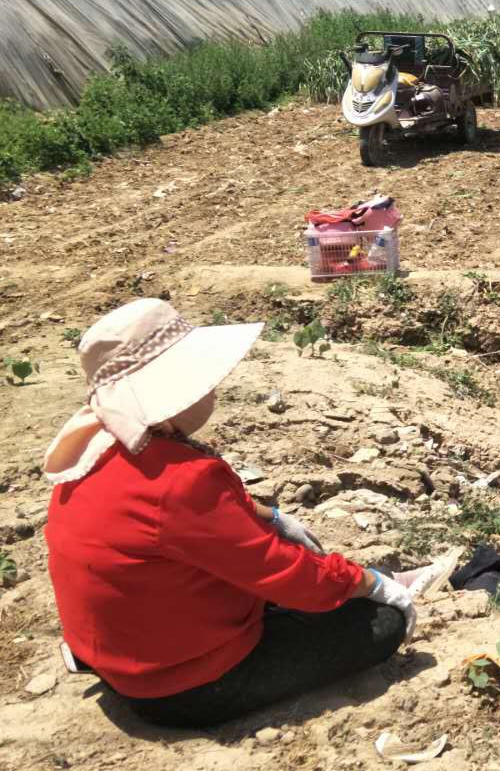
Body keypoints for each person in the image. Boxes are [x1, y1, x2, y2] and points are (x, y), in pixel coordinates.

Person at [43, 298, 426, 729]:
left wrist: (267, 516)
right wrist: (370, 583)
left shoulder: (93, 450)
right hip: (180, 686)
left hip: (119, 653)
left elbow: (189, 527)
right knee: (380, 623)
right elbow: (287, 576)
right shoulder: (179, 481)